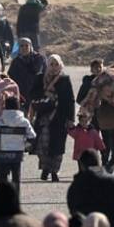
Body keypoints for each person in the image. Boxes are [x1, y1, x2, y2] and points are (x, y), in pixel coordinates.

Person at [31, 54, 75, 182]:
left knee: (57, 146)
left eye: (56, 64)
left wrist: (71, 118)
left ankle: (54, 171)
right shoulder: (40, 78)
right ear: (47, 65)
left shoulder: (65, 79)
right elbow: (33, 93)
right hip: (43, 116)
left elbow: (70, 100)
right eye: (51, 64)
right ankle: (46, 167)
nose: (54, 67)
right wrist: (45, 93)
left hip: (60, 117)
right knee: (42, 144)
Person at [0, 95, 36, 189]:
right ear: (18, 106)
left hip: (3, 154)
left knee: (2, 179)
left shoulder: (0, 121)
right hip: (17, 154)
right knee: (16, 178)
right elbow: (32, 137)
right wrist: (24, 145)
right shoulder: (24, 122)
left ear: (5, 106)